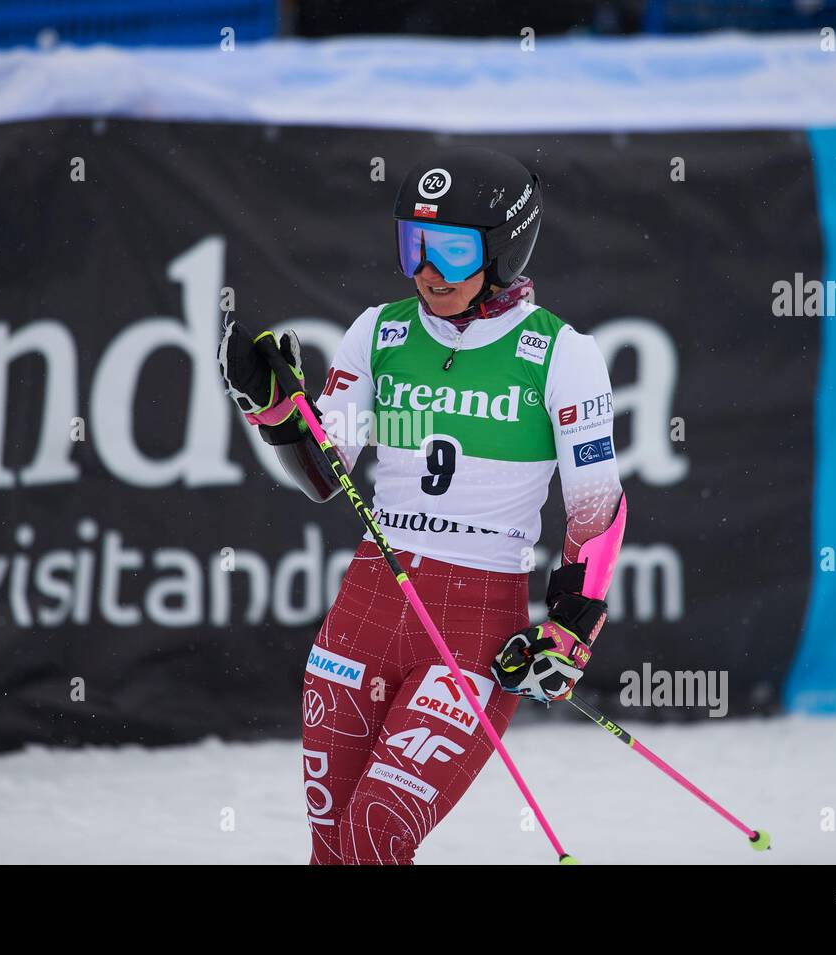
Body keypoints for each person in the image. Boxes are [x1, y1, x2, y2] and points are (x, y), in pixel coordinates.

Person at [218, 145, 626, 865]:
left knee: (379, 831)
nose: (427, 271)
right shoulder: (379, 331)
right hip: (367, 609)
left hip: (471, 626)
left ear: (503, 250)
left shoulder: (562, 353)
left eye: (451, 251)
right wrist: (277, 412)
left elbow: (596, 507)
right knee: (333, 849)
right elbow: (327, 470)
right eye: (414, 244)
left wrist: (570, 627)